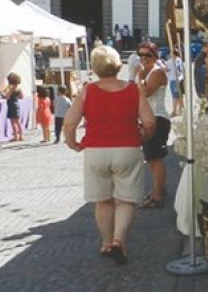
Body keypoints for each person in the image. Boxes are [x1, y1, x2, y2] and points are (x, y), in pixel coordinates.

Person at [63, 45, 155, 265]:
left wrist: (72, 142)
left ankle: (106, 242)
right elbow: (150, 122)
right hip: (127, 149)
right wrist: (142, 137)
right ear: (118, 65)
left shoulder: (87, 90)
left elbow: (69, 122)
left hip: (96, 151)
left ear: (94, 68)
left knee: (103, 201)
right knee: (125, 200)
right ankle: (119, 240)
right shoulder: (134, 89)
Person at [135, 41, 170, 209]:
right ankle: (158, 190)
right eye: (140, 55)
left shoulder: (156, 72)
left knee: (156, 159)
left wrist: (141, 78)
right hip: (147, 118)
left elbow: (145, 92)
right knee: (150, 159)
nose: (143, 58)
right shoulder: (143, 72)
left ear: (155, 57)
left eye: (147, 55)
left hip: (158, 118)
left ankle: (158, 195)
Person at [4, 73, 23, 142]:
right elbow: (22, 97)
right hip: (17, 104)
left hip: (12, 105)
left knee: (13, 122)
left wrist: (7, 90)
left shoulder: (12, 89)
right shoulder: (19, 88)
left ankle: (15, 137)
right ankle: (21, 136)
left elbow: (7, 96)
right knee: (18, 121)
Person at [166, 46, 183, 116]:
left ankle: (174, 111)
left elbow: (166, 70)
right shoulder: (179, 60)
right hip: (180, 80)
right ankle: (180, 110)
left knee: (175, 97)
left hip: (173, 80)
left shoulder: (170, 62)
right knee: (179, 96)